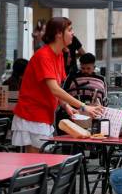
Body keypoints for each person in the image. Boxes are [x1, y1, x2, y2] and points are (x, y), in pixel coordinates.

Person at [12, 17, 103, 152]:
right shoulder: (44, 56)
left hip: (43, 115)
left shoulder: (59, 54)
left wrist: (65, 105)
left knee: (37, 163)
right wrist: (83, 106)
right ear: (58, 33)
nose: (73, 33)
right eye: (70, 30)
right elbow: (54, 89)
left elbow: (56, 88)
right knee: (34, 164)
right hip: (32, 114)